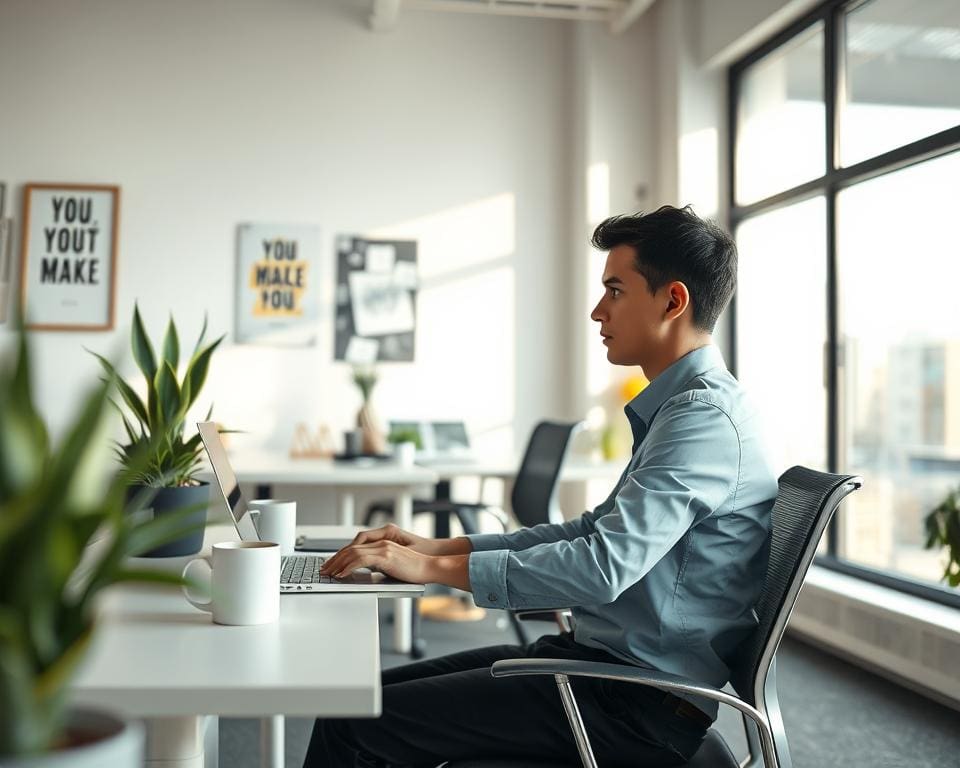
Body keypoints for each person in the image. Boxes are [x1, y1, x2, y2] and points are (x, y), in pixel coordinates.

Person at [304, 204, 777, 768]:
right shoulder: (688, 409)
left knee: (353, 726)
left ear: (673, 301)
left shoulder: (702, 420)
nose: (598, 311)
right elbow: (591, 532)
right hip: (600, 667)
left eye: (616, 291)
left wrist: (432, 572)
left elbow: (600, 568)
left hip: (628, 702)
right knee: (354, 701)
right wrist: (438, 547)